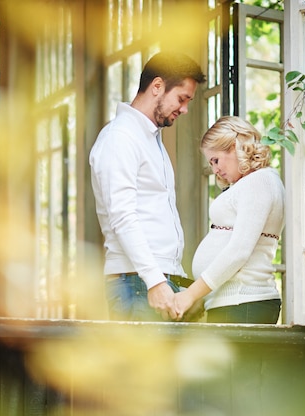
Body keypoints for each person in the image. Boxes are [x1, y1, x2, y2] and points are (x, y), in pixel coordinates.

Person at [89, 52, 206, 321]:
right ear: (157, 87)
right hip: (138, 285)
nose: (185, 109)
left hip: (153, 281)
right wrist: (154, 282)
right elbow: (122, 216)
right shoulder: (121, 137)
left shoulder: (151, 138)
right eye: (182, 98)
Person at [174, 116, 285, 324]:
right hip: (236, 303)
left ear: (235, 146)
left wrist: (190, 295)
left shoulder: (260, 181)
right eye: (210, 163)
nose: (215, 170)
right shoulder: (251, 183)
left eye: (216, 160)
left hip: (243, 303)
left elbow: (238, 252)